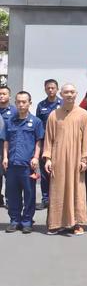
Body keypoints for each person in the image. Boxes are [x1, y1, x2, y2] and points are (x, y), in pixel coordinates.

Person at [43, 84, 87, 236]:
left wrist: (85, 159)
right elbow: (49, 139)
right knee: (57, 189)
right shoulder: (54, 114)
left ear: (76, 94)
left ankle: (77, 223)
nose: (69, 94)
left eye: (72, 92)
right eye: (66, 92)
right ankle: (55, 223)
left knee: (77, 190)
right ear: (61, 94)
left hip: (76, 160)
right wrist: (48, 159)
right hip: (58, 158)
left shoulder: (84, 114)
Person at [3, 91, 43, 233]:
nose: (21, 104)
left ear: (29, 103)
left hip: (27, 165)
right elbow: (6, 141)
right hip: (12, 164)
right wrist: (5, 157)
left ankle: (27, 221)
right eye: (18, 102)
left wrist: (36, 157)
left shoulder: (36, 122)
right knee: (13, 194)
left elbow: (39, 141)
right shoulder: (10, 121)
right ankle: (14, 220)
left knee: (29, 194)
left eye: (24, 102)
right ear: (16, 103)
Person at [35, 79, 62, 210]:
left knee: (59, 171)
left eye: (53, 88)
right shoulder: (41, 105)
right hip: (45, 142)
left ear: (57, 89)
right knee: (45, 172)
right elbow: (38, 125)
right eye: (48, 88)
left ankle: (58, 199)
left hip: (60, 143)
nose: (50, 90)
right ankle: (46, 199)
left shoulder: (62, 104)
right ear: (45, 89)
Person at [0, 86, 16, 208]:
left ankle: (9, 199)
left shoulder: (15, 111)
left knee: (9, 174)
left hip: (9, 146)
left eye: (4, 94)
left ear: (9, 96)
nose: (1, 96)